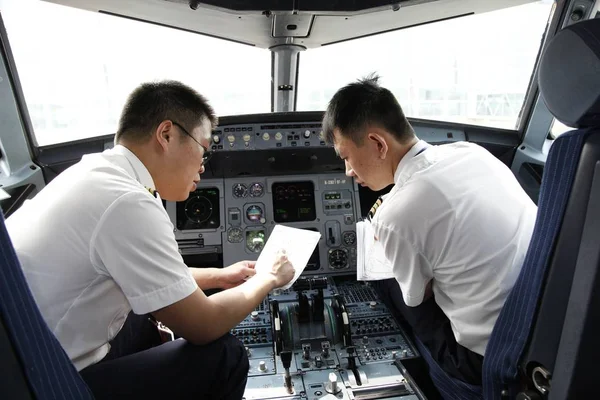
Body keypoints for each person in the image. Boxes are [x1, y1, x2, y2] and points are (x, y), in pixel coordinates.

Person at [6, 80, 295, 399]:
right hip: (48, 382)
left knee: (143, 315)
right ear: (167, 134)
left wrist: (219, 276)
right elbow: (204, 325)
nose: (202, 165)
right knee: (225, 355)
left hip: (26, 356)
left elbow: (153, 275)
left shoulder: (96, 174)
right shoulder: (126, 202)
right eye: (203, 150)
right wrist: (268, 279)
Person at [322, 74, 537, 386]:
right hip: (541, 319)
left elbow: (417, 296)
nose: (348, 172)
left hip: (486, 355)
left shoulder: (396, 213)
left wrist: (392, 247)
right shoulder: (470, 151)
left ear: (378, 144)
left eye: (346, 157)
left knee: (387, 283)